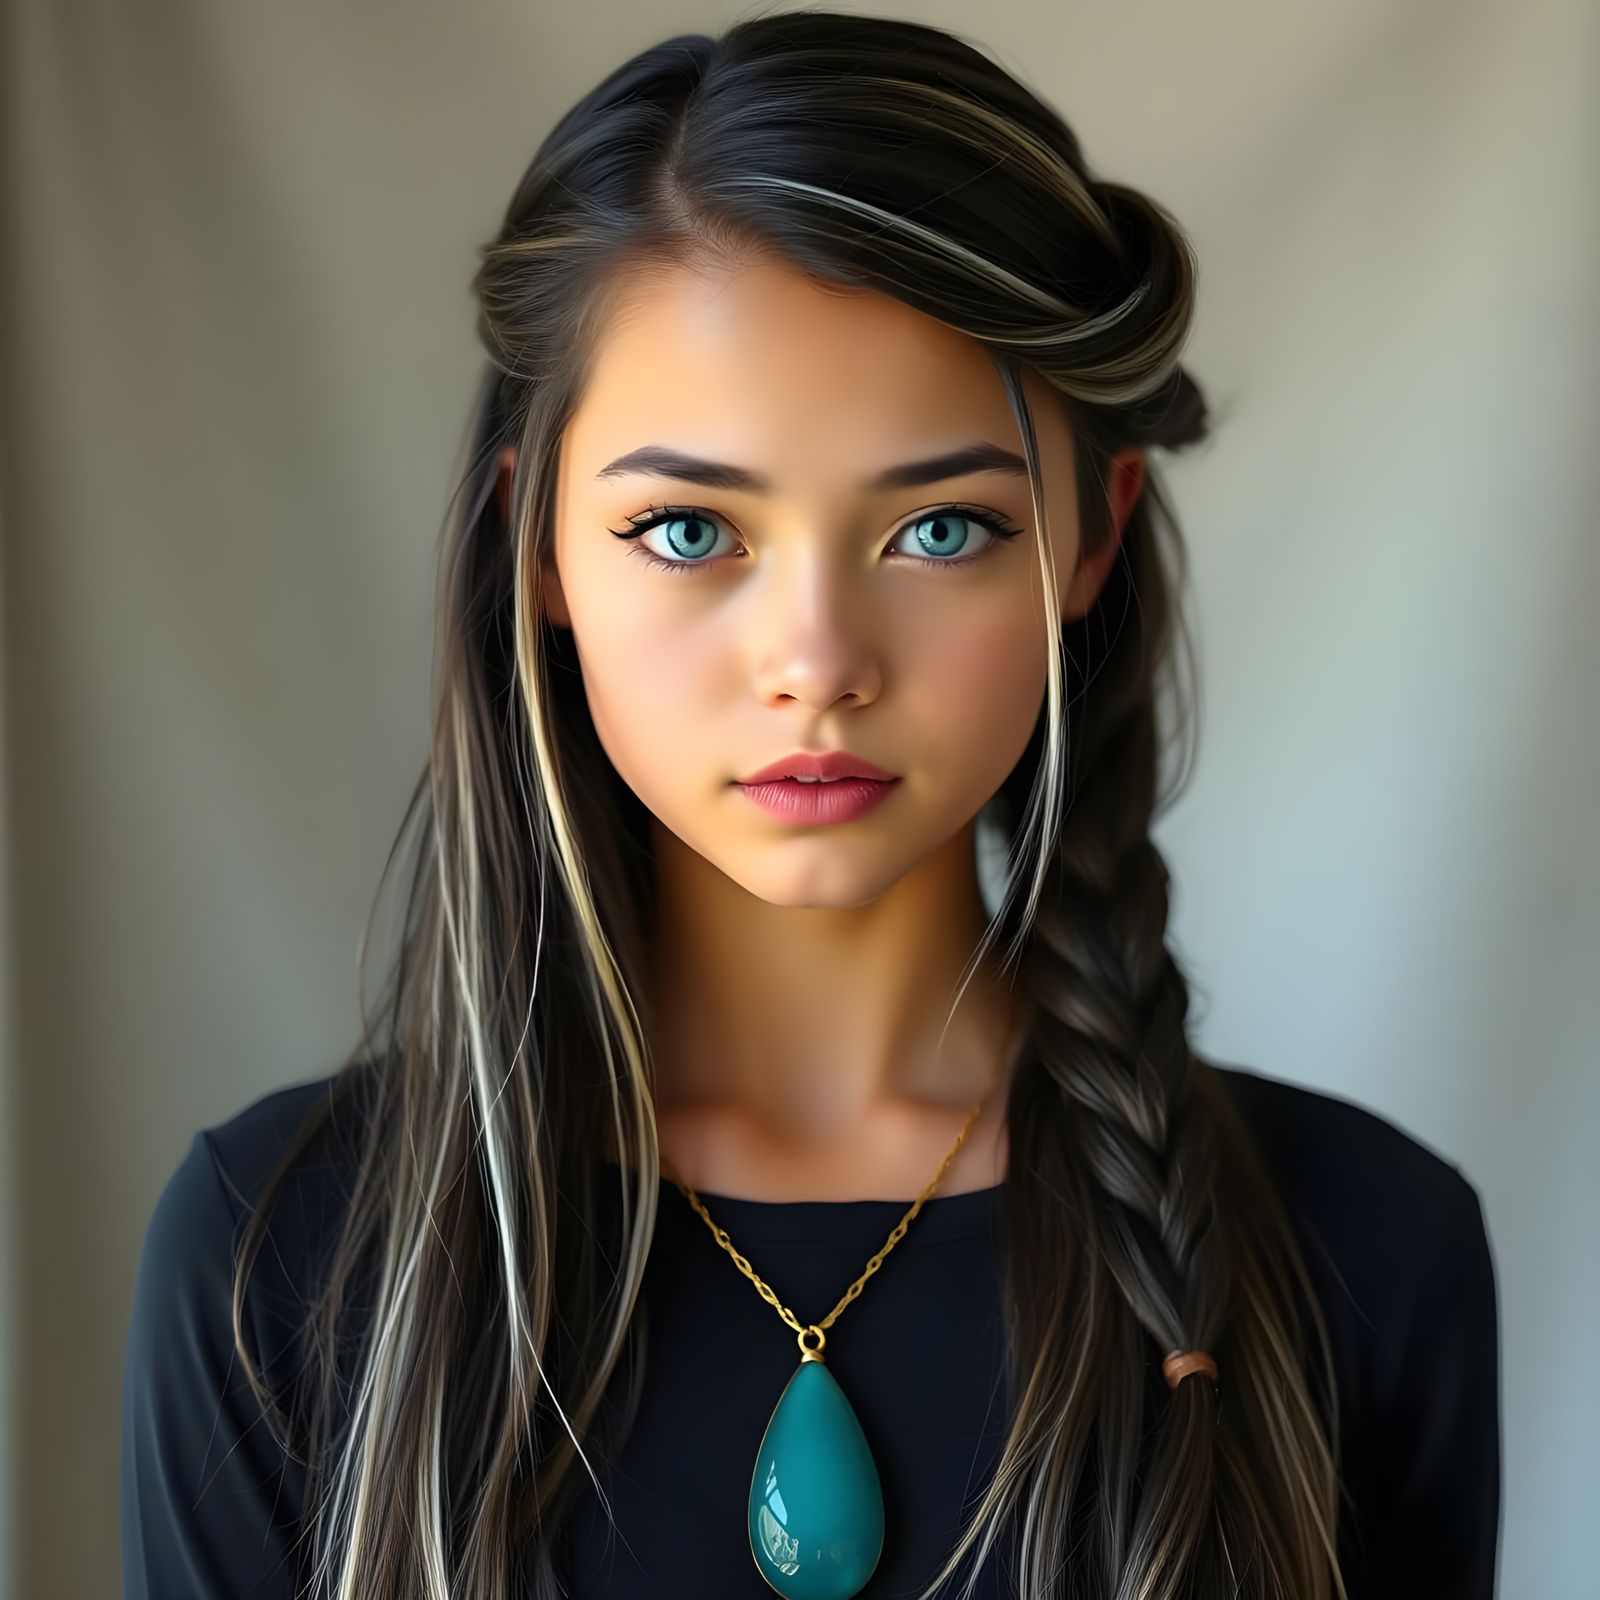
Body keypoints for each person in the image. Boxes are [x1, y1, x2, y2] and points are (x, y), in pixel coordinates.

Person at [120, 11, 1501, 1599]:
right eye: (689, 530)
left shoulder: (1368, 1254)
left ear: (1090, 539)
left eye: (942, 530)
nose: (819, 664)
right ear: (538, 548)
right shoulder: (274, 1262)